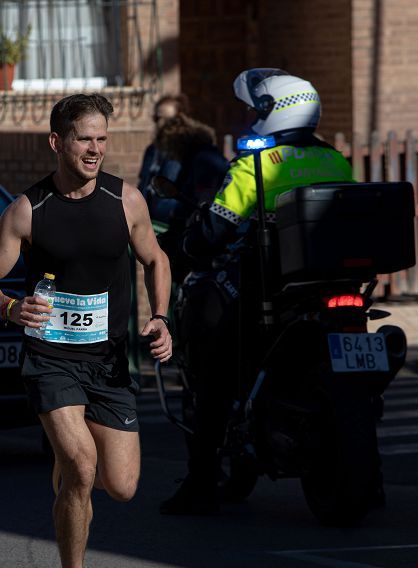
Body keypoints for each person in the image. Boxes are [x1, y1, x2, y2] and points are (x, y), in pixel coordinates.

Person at [0, 93, 172, 568]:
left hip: (107, 361)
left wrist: (162, 317)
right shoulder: (27, 210)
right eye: (85, 139)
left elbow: (156, 258)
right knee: (81, 466)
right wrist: (11, 308)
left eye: (102, 139)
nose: (95, 150)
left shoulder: (126, 201)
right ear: (58, 142)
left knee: (122, 487)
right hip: (50, 357)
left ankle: (70, 472)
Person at [159, 69, 356, 516]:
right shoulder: (334, 159)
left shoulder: (257, 164)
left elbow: (213, 229)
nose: (247, 118)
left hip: (270, 289)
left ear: (272, 112)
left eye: (253, 110)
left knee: (210, 367)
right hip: (333, 285)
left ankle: (201, 480)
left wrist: (185, 247)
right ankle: (368, 475)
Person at [150, 113, 229, 284]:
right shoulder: (201, 158)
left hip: (206, 244)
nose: (169, 155)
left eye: (167, 149)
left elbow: (202, 201)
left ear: (175, 142)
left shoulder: (204, 161)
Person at [137, 93, 190, 226]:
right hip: (149, 223)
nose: (160, 123)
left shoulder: (185, 150)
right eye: (157, 118)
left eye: (167, 119)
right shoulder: (152, 150)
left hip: (171, 223)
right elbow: (143, 184)